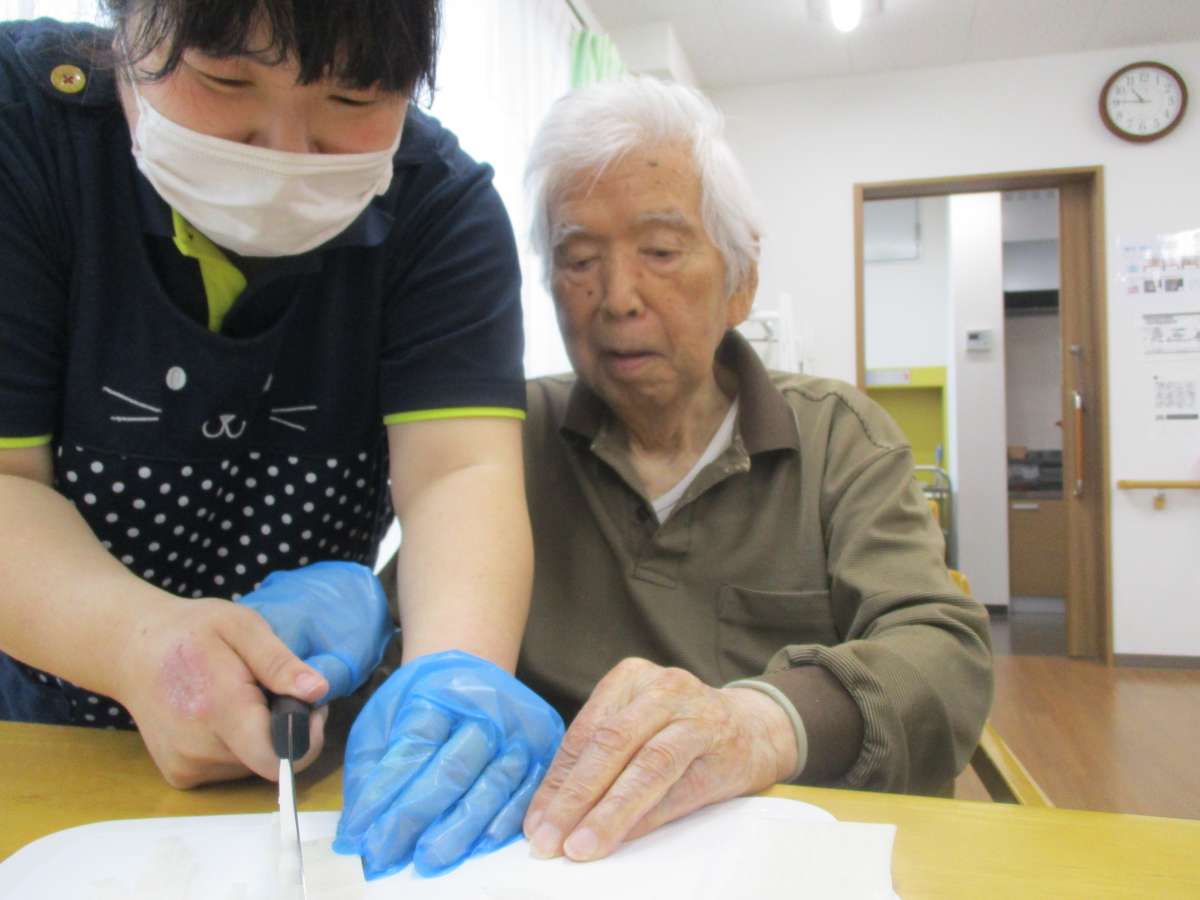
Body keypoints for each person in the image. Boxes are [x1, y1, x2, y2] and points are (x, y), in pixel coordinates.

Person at [0, 0, 559, 877]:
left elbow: (458, 474)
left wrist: (451, 681)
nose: (284, 154)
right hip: (40, 744)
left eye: (352, 100)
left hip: (302, 759)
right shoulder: (24, 133)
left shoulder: (440, 208)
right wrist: (138, 643)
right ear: (129, 28)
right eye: (226, 81)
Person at [515, 77, 994, 864]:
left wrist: (764, 724)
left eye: (660, 252)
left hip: (795, 858)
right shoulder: (511, 438)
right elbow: (407, 643)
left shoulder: (836, 436)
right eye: (579, 261)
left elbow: (944, 655)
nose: (617, 298)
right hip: (560, 855)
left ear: (740, 281)